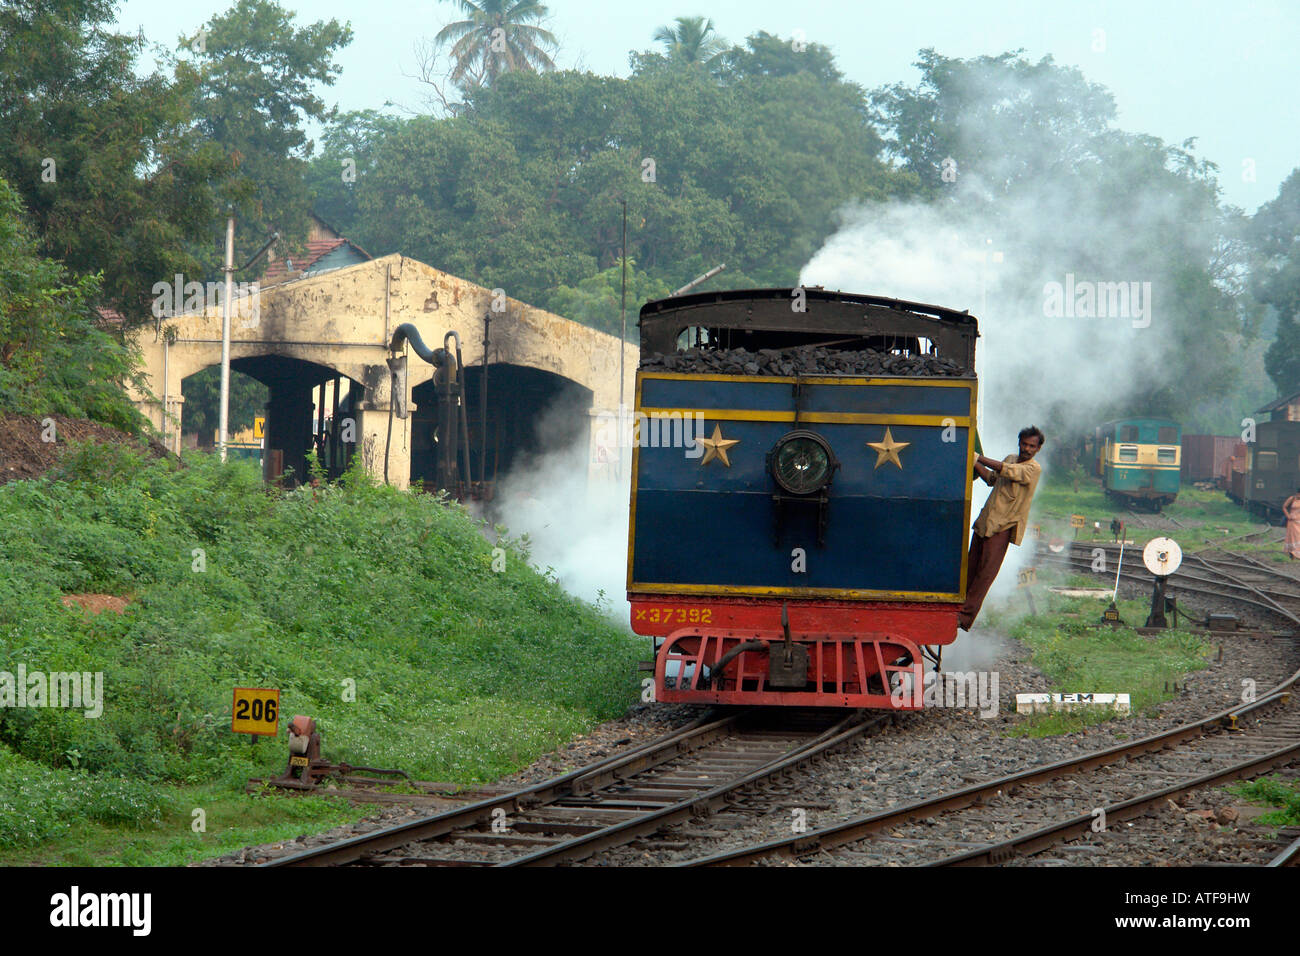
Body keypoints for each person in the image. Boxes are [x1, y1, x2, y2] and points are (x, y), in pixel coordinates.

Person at [958, 426, 1045, 631]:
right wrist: (975, 461)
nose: (1027, 449)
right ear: (1019, 443)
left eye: (1032, 446)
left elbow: (1008, 471)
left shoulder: (1033, 469)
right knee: (970, 568)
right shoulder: (1010, 458)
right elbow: (992, 479)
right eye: (1024, 444)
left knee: (985, 575)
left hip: (1002, 527)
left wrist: (978, 456)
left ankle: (964, 617)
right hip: (986, 521)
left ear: (1038, 448)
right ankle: (956, 608)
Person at [1284, 487, 1300, 560]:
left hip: (1299, 520)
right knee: (1293, 537)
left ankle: (1297, 553)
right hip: (1292, 521)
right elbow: (1284, 507)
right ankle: (1292, 553)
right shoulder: (1292, 498)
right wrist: (1288, 515)